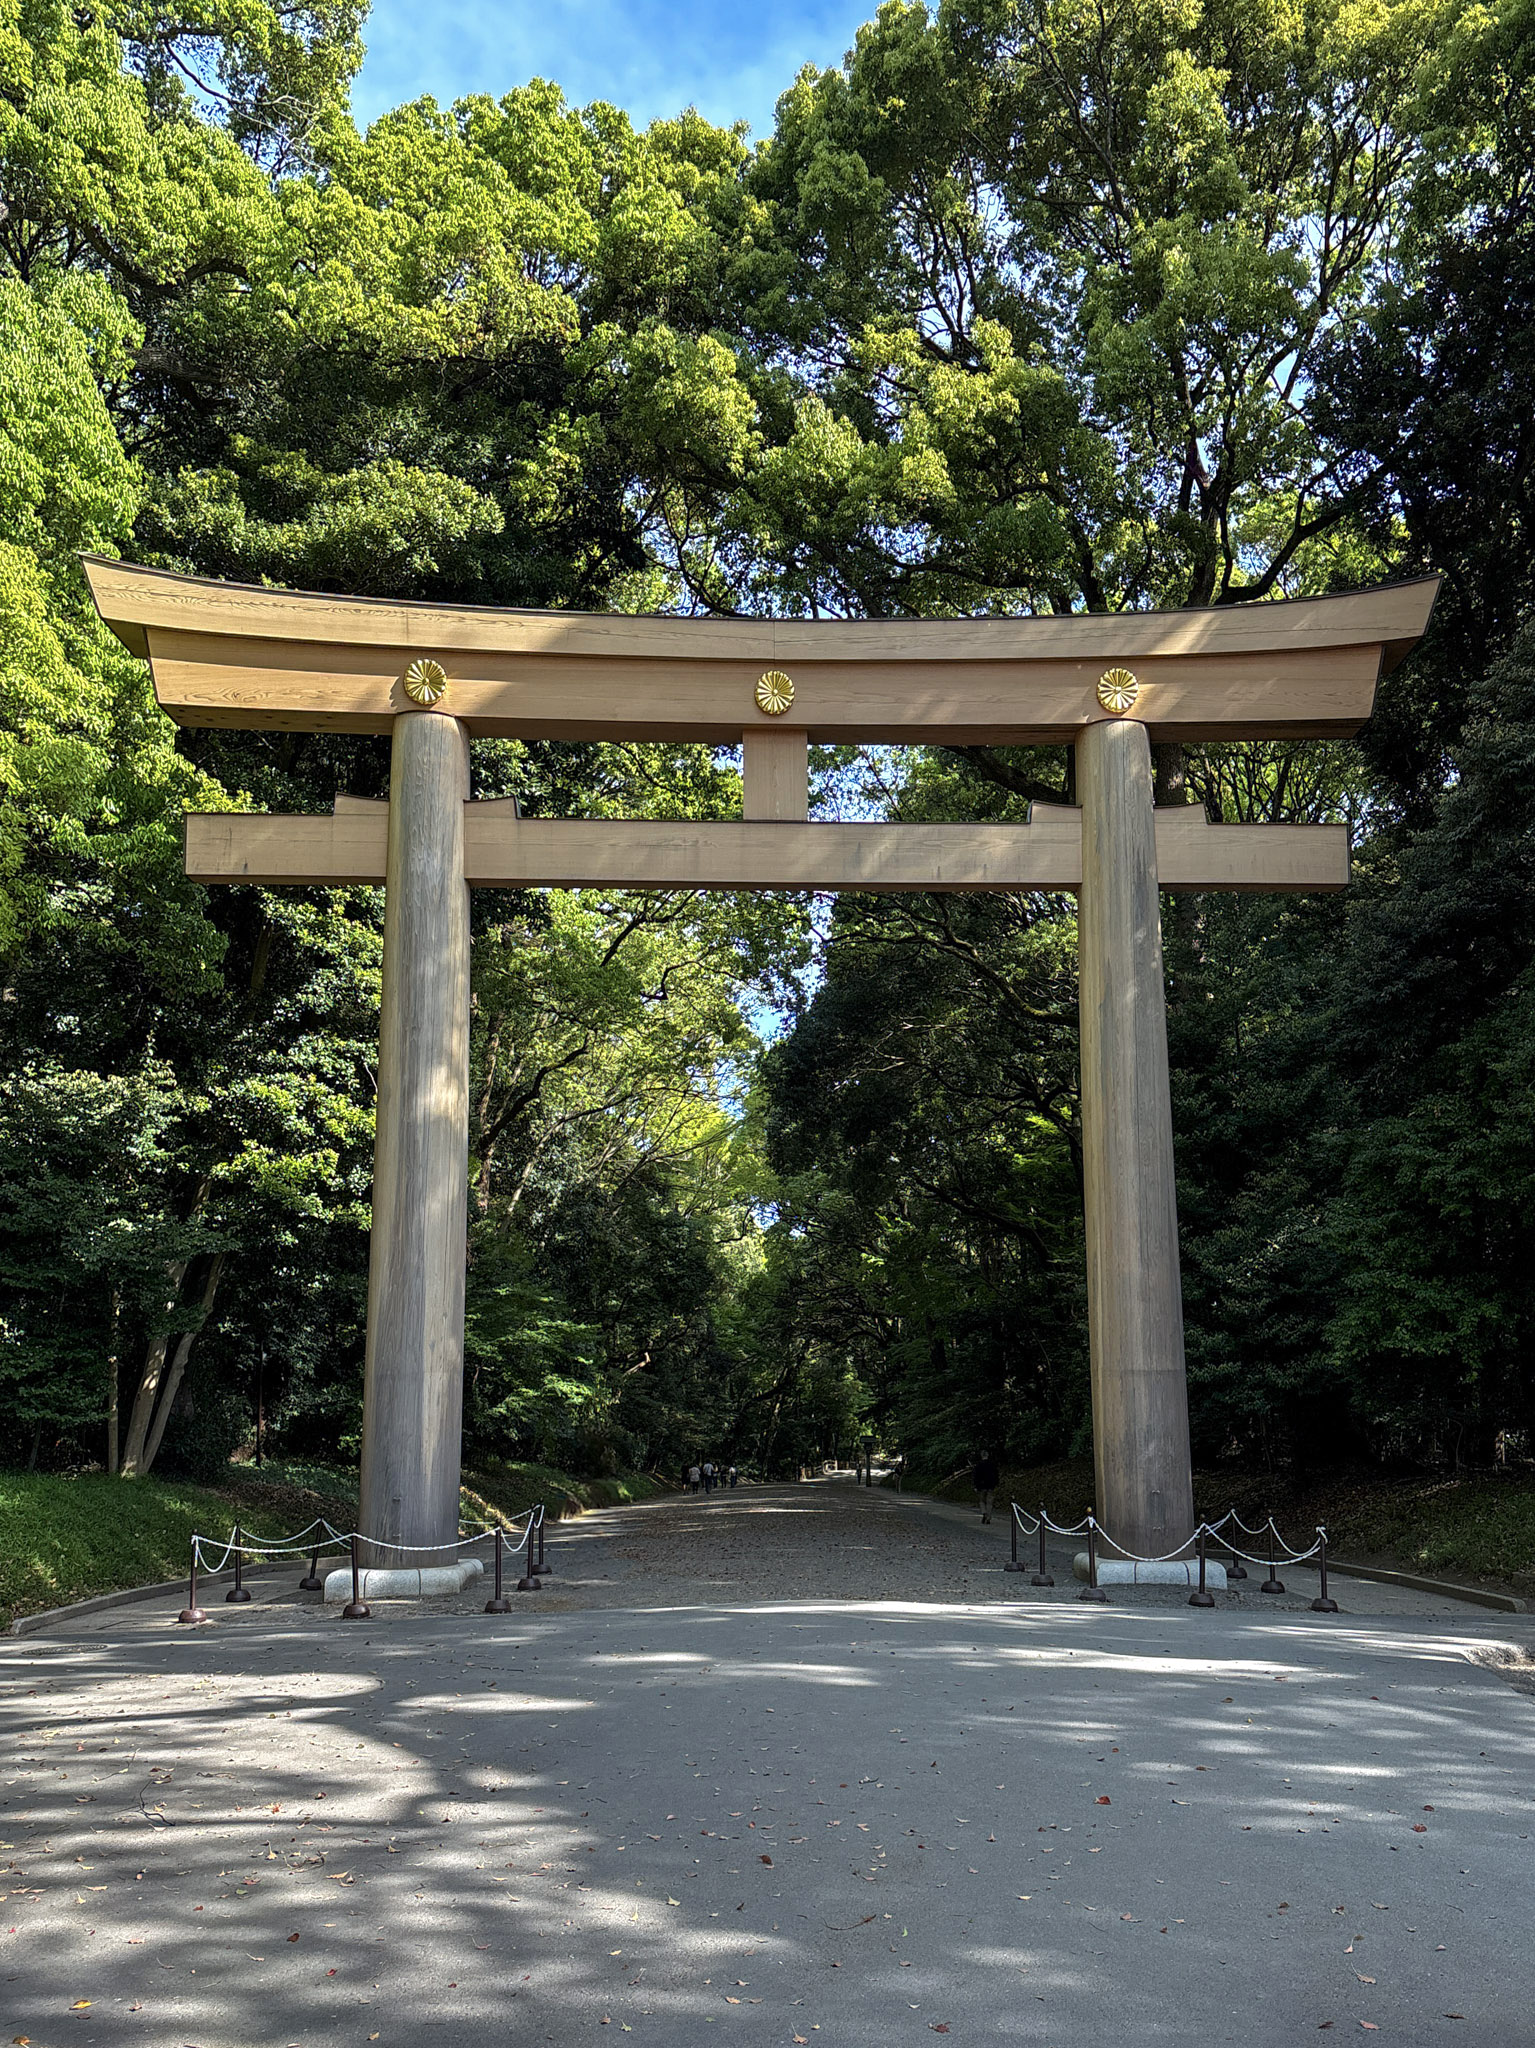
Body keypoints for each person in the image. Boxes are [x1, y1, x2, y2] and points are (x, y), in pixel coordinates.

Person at [972, 1451, 1001, 1525]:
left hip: (981, 1486)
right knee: (989, 1502)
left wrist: (975, 1485)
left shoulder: (978, 1465)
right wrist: (996, 1484)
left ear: (981, 1456)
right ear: (988, 1455)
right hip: (991, 1486)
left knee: (982, 1501)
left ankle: (984, 1512)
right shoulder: (992, 1465)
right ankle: (988, 1516)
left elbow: (975, 1476)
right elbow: (996, 1475)